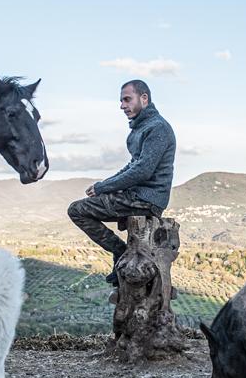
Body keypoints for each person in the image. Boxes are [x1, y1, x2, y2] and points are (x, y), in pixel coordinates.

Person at [67, 79, 176, 285]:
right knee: (81, 207)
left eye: (127, 99)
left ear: (144, 98)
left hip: (146, 199)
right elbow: (133, 166)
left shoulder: (157, 128)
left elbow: (142, 171)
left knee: (76, 210)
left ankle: (120, 253)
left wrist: (103, 187)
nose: (122, 106)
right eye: (121, 101)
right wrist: (103, 185)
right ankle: (123, 256)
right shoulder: (142, 128)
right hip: (137, 195)